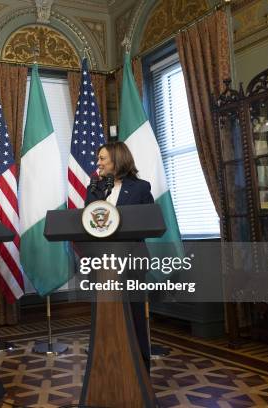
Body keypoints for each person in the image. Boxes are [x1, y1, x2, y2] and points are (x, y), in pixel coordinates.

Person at [84, 141, 154, 372]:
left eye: (102, 158)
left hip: (132, 259)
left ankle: (140, 367)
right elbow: (88, 223)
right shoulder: (94, 188)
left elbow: (149, 223)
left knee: (133, 313)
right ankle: (107, 364)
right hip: (102, 262)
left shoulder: (141, 188)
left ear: (117, 159)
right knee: (106, 314)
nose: (98, 163)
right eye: (98, 159)